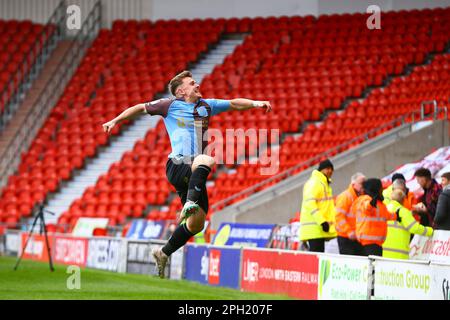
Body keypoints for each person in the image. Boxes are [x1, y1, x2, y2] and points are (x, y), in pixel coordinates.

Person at [102, 70, 272, 278]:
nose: (197, 85)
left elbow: (234, 103)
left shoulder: (206, 106)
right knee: (206, 159)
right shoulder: (169, 105)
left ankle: (163, 252)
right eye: (192, 83)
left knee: (197, 224)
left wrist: (256, 103)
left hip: (192, 172)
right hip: (177, 164)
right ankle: (188, 204)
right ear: (181, 91)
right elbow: (139, 108)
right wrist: (115, 121)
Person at [382, 189, 433, 259]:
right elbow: (414, 228)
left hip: (383, 252)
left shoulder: (384, 209)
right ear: (403, 200)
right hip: (399, 254)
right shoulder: (403, 212)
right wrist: (430, 231)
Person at [351, 178, 397, 256]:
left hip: (376, 245)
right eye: (380, 188)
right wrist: (370, 204)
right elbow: (366, 207)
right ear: (375, 188)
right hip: (368, 245)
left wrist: (396, 215)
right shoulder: (365, 199)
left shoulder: (380, 204)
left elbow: (386, 215)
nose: (382, 190)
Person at [299, 159, 337, 252]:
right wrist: (322, 221)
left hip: (318, 230)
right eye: (327, 168)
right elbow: (310, 203)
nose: (330, 171)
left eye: (332, 169)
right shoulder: (315, 183)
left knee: (318, 259)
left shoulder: (323, 183)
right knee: (316, 259)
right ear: (321, 170)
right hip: (315, 229)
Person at [335, 172, 366, 255]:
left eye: (364, 183)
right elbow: (339, 217)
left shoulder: (363, 197)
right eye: (361, 183)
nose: (363, 185)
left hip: (357, 237)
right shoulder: (345, 196)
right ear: (353, 184)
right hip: (346, 237)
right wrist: (348, 231)